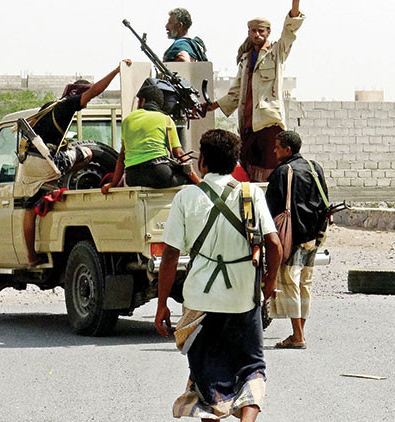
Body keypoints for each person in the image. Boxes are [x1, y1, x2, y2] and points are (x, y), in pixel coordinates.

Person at [155, 129, 282, 421]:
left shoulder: (186, 198)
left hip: (201, 302)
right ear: (235, 162)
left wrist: (162, 304)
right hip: (243, 299)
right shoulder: (251, 194)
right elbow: (274, 245)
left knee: (206, 380)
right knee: (251, 370)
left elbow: (170, 255)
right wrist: (269, 284)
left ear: (203, 162)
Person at [22, 60, 131, 266]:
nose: (85, 105)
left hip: (29, 160)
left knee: (29, 209)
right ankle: (59, 178)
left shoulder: (50, 105)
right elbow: (96, 90)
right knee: (87, 153)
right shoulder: (69, 104)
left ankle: (31, 257)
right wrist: (116, 71)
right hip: (47, 162)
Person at [199, 0, 304, 182]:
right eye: (253, 31)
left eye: (261, 31)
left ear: (268, 32)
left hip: (268, 122)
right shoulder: (245, 59)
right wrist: (212, 106)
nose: (257, 34)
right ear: (248, 32)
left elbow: (290, 30)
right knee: (248, 168)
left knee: (270, 170)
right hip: (248, 125)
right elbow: (236, 93)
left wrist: (295, 5)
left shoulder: (276, 52)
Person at [265, 131, 328, 349]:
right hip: (314, 235)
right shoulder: (314, 167)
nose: (274, 150)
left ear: (287, 150)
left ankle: (298, 336)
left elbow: (270, 207)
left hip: (292, 236)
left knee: (290, 283)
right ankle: (298, 332)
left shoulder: (282, 172)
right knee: (304, 284)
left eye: (277, 146)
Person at [101, 83, 200, 194]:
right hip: (159, 173)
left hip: (133, 177)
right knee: (188, 183)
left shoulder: (127, 120)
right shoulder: (165, 119)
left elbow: (122, 156)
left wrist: (113, 183)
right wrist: (198, 181)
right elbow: (179, 153)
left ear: (143, 101)